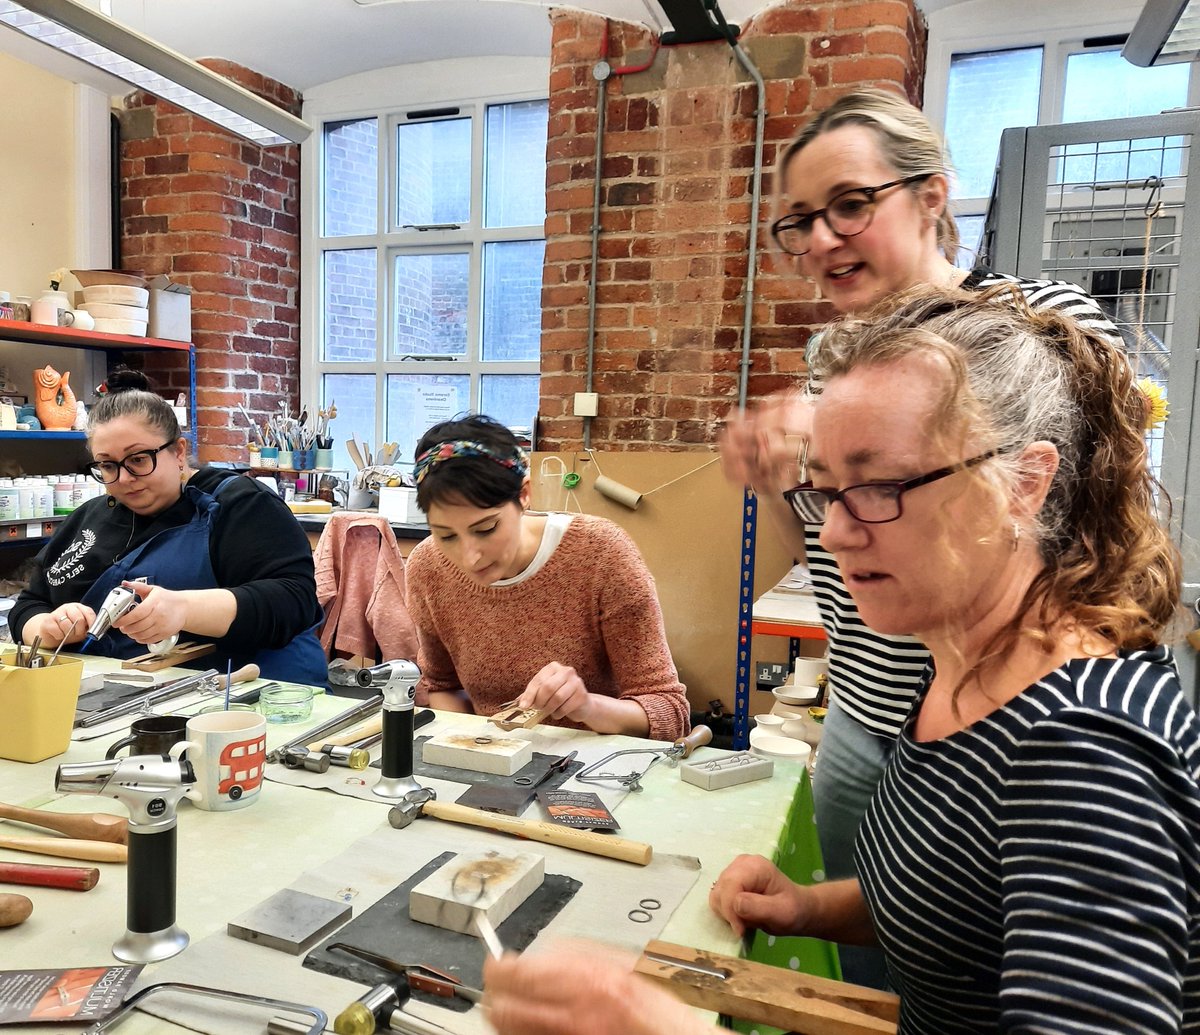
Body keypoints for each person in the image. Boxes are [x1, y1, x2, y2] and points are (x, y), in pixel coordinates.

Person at [484, 288, 1199, 1034]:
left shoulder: (1082, 747)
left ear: (1023, 482)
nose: (833, 535)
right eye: (824, 490)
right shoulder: (960, 659)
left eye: (880, 486)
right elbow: (960, 895)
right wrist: (805, 905)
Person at [718, 87, 1121, 986]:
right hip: (877, 713)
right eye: (799, 222)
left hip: (1013, 714)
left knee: (992, 975)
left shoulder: (1038, 322)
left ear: (932, 197)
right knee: (882, 957)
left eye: (851, 204)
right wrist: (792, 481)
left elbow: (1091, 502)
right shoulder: (835, 366)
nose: (821, 239)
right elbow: (835, 551)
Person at [11, 370, 327, 684]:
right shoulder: (88, 520)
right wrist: (45, 627)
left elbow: (293, 600)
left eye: (138, 459)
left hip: (250, 699)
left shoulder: (240, 505)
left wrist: (184, 609)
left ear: (177, 452)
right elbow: (29, 604)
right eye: (107, 465)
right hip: (114, 698)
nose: (123, 479)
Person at [403, 414, 690, 740]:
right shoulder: (428, 567)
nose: (469, 557)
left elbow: (670, 712)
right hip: (492, 763)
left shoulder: (601, 556)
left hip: (597, 770)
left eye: (486, 529)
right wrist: (468, 746)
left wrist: (587, 707)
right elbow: (442, 686)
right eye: (446, 536)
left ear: (524, 495)